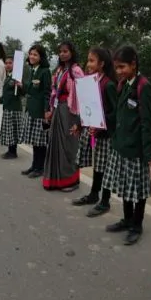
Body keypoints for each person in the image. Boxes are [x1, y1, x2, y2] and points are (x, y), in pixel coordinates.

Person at [103, 45, 151, 245]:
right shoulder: (123, 84)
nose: (119, 71)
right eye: (116, 67)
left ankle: (136, 225)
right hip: (120, 146)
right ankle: (127, 219)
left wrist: (148, 154)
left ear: (133, 64)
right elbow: (118, 115)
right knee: (125, 186)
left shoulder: (144, 86)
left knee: (138, 190)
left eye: (122, 67)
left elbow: (147, 122)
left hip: (136, 150)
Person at [72, 47, 117, 217]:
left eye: (92, 60)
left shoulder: (109, 84)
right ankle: (93, 194)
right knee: (98, 166)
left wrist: (101, 123)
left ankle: (105, 201)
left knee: (104, 168)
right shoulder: (90, 82)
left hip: (105, 135)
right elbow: (86, 106)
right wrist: (79, 124)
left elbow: (115, 112)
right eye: (88, 60)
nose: (88, 64)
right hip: (92, 132)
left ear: (102, 64)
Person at [42, 41, 84, 192]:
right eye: (60, 51)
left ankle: (71, 181)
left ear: (72, 52)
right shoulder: (60, 70)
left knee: (68, 144)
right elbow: (54, 91)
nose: (62, 54)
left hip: (70, 111)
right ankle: (55, 180)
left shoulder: (76, 71)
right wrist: (51, 109)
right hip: (58, 109)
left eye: (65, 51)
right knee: (55, 143)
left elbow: (82, 94)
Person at [20, 45, 52, 178]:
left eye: (35, 54)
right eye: (31, 54)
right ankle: (34, 165)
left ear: (41, 57)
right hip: (31, 110)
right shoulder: (33, 70)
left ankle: (40, 168)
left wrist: (46, 110)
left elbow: (47, 92)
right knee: (35, 141)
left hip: (40, 112)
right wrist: (21, 85)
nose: (32, 56)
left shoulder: (45, 71)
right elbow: (30, 89)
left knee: (40, 142)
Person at [0, 54, 23, 159]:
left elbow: (22, 92)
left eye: (10, 63)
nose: (8, 65)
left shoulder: (17, 77)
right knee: (9, 131)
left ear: (15, 64)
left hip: (14, 108)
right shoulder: (9, 76)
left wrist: (20, 86)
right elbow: (7, 93)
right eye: (6, 63)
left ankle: (13, 152)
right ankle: (10, 151)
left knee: (12, 131)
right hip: (7, 107)